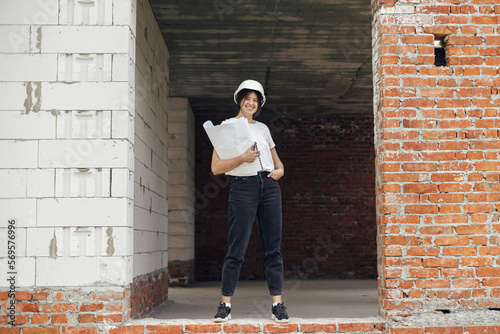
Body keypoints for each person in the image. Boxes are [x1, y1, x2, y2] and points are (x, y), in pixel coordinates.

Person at [211, 80, 289, 323]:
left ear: (259, 104)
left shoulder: (264, 129)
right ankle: (225, 305)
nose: (251, 103)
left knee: (273, 249)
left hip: (269, 186)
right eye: (247, 98)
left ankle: (278, 305)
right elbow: (216, 168)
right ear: (239, 99)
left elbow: (279, 164)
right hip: (242, 187)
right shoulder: (226, 127)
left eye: (256, 100)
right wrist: (242, 158)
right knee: (236, 249)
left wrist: (278, 172)